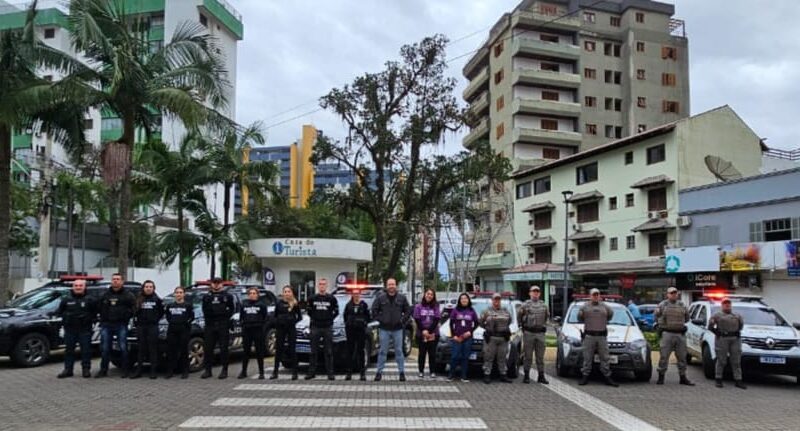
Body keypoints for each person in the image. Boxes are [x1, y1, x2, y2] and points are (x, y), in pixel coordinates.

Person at [96, 273, 136, 378]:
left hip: (121, 325)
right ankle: (103, 370)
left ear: (122, 281)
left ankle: (125, 370)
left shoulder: (128, 295)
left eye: (118, 279)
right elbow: (98, 307)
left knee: (123, 348)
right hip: (106, 325)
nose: (115, 281)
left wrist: (126, 316)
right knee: (105, 349)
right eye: (113, 279)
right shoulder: (105, 294)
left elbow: (134, 308)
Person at [55, 278, 96, 378]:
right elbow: (60, 312)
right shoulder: (66, 299)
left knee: (86, 350)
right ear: (73, 287)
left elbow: (95, 314)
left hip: (85, 329)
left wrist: (88, 318)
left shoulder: (91, 299)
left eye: (80, 286)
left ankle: (86, 369)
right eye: (76, 286)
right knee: (69, 350)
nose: (78, 287)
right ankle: (68, 370)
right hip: (70, 329)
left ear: (84, 287)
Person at [372, 278, 411, 382]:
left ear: (396, 285)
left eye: (393, 284)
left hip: (398, 329)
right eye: (389, 284)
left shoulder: (402, 298)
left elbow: (408, 311)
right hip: (384, 329)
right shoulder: (380, 298)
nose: (391, 286)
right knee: (382, 351)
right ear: (386, 285)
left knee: (399, 351)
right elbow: (374, 310)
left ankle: (401, 373)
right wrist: (381, 320)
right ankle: (379, 373)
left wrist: (402, 320)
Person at [577, 288, 618, 387]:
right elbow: (579, 318)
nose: (595, 297)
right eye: (593, 295)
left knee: (605, 357)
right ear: (590, 296)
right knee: (587, 357)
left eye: (597, 295)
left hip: (602, 336)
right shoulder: (584, 307)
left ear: (599, 296)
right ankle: (585, 376)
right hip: (589, 336)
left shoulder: (606, 307)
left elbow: (610, 316)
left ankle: (607, 376)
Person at [654, 287, 694, 386]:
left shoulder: (682, 305)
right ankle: (661, 377)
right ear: (667, 294)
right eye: (671, 293)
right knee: (664, 356)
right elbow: (656, 317)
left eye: (675, 293)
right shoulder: (662, 305)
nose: (674, 295)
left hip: (679, 334)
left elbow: (687, 318)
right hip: (667, 333)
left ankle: (683, 377)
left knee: (682, 357)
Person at [200, 277, 235, 379]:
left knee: (224, 348)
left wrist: (224, 317)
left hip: (222, 325)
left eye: (218, 283)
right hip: (210, 325)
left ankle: (224, 370)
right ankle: (208, 370)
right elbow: (204, 309)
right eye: (214, 283)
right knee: (208, 348)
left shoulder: (227, 296)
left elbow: (231, 309)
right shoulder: (207, 296)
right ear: (211, 284)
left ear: (222, 284)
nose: (216, 285)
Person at [709, 298, 746, 389]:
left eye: (728, 304)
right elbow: (710, 326)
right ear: (722, 305)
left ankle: (738, 380)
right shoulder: (717, 315)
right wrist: (716, 332)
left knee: (736, 360)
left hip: (735, 339)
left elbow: (741, 326)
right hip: (722, 339)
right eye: (725, 304)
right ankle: (718, 379)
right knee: (721, 360)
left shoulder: (737, 315)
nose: (727, 305)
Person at [306, 278, 339, 381]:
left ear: (326, 286)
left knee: (328, 351)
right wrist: (315, 318)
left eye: (324, 284)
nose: (322, 286)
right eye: (320, 284)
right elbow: (309, 311)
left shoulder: (332, 298)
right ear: (318, 286)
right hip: (315, 326)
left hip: (327, 327)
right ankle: (311, 373)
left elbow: (336, 311)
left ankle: (330, 373)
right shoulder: (312, 298)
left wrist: (329, 319)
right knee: (313, 351)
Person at [131, 280, 164, 379]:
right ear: (143, 288)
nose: (148, 288)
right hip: (141, 327)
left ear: (153, 288)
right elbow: (134, 312)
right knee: (141, 349)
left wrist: (154, 320)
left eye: (150, 287)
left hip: (152, 327)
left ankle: (153, 371)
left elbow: (161, 312)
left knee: (152, 349)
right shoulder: (138, 299)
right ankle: (139, 371)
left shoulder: (157, 300)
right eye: (146, 286)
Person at [517, 285, 549, 384]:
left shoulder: (544, 305)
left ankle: (541, 376)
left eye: (537, 292)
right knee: (528, 356)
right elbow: (519, 317)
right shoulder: (525, 305)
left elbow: (547, 317)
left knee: (540, 357)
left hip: (540, 333)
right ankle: (526, 376)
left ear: (539, 293)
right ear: (530, 293)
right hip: (529, 333)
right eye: (533, 291)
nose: (535, 293)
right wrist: (523, 327)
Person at [480, 293, 513, 384]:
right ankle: (487, 375)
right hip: (491, 338)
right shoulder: (486, 311)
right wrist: (488, 329)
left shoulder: (505, 311)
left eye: (498, 300)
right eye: (495, 299)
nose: (496, 301)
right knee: (488, 357)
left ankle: (503, 375)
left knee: (502, 357)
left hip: (503, 338)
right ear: (492, 300)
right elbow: (481, 322)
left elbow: (509, 321)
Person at [164, 286, 194, 379]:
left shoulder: (188, 305)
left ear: (184, 294)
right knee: (171, 351)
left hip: (184, 330)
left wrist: (185, 324)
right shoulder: (170, 306)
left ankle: (185, 371)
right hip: (172, 330)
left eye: (180, 292)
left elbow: (191, 317)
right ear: (174, 294)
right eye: (177, 292)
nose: (178, 294)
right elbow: (168, 317)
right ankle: (170, 371)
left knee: (184, 351)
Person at [272, 285, 301, 380]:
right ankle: (275, 372)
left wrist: (292, 321)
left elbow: (299, 317)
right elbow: (275, 316)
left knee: (292, 349)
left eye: (289, 291)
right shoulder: (279, 303)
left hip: (291, 329)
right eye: (285, 291)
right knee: (279, 349)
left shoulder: (295, 304)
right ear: (283, 293)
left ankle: (294, 373)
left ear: (291, 293)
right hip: (281, 329)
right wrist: (279, 321)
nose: (287, 293)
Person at [448, 293, 478, 382]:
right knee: (454, 356)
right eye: (462, 298)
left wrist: (470, 332)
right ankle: (451, 375)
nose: (464, 300)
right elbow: (451, 324)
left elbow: (476, 323)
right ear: (459, 300)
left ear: (468, 300)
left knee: (465, 357)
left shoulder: (472, 310)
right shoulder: (455, 310)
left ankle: (463, 376)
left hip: (467, 338)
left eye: (465, 298)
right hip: (457, 337)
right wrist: (454, 336)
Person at [239, 287, 268, 379]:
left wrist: (261, 327)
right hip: (247, 330)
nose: (252, 295)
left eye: (254, 293)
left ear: (257, 295)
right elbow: (241, 316)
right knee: (246, 352)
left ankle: (261, 372)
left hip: (258, 330)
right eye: (250, 293)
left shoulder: (262, 305)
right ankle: (243, 371)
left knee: (259, 351)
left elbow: (265, 317)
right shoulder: (244, 304)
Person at [413, 288, 440, 379]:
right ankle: (421, 371)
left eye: (431, 294)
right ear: (425, 295)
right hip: (421, 334)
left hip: (433, 334)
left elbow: (436, 319)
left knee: (432, 354)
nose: (429, 296)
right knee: (422, 354)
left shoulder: (436, 306)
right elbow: (417, 319)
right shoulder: (418, 306)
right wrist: (424, 330)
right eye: (428, 294)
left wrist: (429, 331)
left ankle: (432, 371)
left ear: (433, 296)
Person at [343, 288, 370, 381]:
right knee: (350, 352)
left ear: (360, 294)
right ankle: (348, 373)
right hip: (350, 331)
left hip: (361, 331)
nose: (356, 295)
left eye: (357, 293)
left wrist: (364, 323)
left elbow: (368, 317)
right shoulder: (348, 305)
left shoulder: (364, 305)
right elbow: (345, 316)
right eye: (354, 294)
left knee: (360, 352)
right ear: (352, 295)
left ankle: (362, 373)